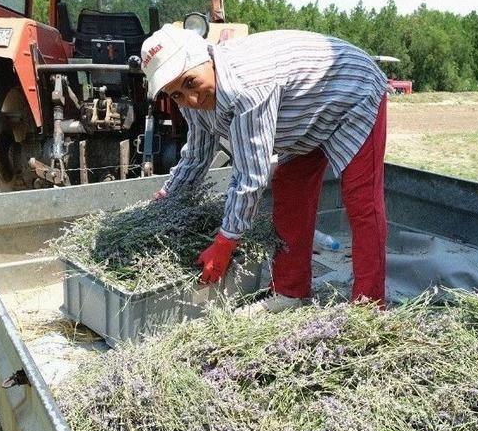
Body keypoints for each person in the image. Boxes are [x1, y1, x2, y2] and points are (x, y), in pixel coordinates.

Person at [141, 24, 388, 312]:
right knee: (289, 191)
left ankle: (368, 307)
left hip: (351, 91)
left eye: (191, 83)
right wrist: (166, 196)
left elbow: (250, 175)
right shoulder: (188, 99)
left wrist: (225, 242)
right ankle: (290, 292)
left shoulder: (247, 87)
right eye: (176, 95)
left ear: (205, 58)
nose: (190, 99)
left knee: (361, 201)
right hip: (304, 109)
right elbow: (196, 156)